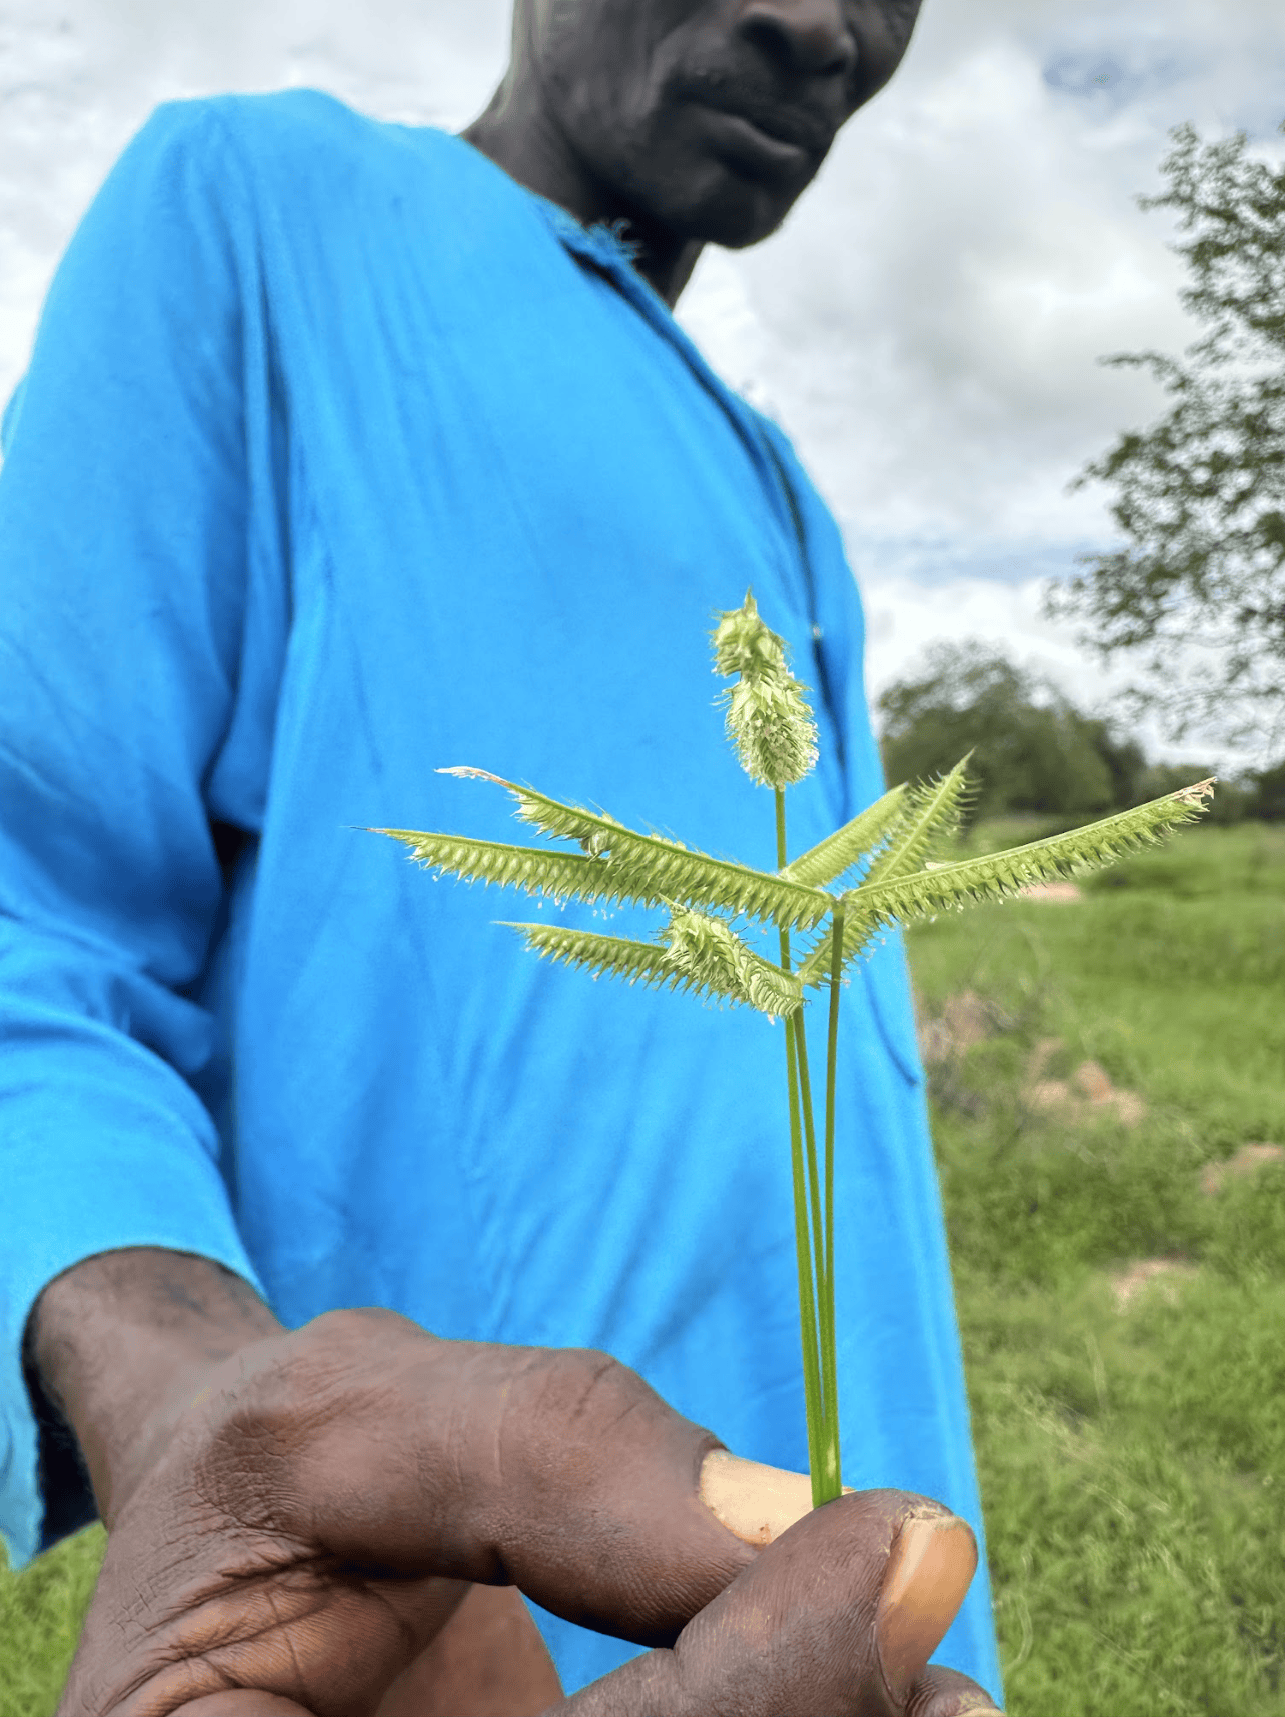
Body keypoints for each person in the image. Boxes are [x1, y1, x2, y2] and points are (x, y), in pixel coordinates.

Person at [0, 0, 1007, 1710]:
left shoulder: (777, 474)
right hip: (458, 1627)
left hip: (893, 1597)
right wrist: (194, 1408)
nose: (817, 22)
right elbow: (34, 922)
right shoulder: (258, 209)